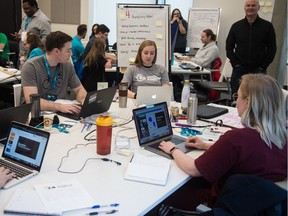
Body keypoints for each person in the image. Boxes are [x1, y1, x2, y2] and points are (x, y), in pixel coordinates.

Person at [159, 73, 287, 209]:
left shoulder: (236, 139)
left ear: (248, 102)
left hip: (221, 203)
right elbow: (250, 155)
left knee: (165, 192)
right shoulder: (283, 137)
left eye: (237, 96)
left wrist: (173, 149)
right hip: (258, 205)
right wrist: (206, 146)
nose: (236, 101)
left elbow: (193, 169)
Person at [21, 31, 87, 114]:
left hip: (59, 113)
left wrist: (83, 100)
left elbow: (80, 90)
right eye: (68, 51)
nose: (71, 54)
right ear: (56, 51)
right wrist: (59, 106)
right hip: (36, 114)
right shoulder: (31, 67)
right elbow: (32, 101)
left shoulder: (67, 66)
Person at [226, 0, 276, 96]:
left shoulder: (267, 26)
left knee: (258, 98)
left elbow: (272, 48)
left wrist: (263, 66)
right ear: (244, 8)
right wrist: (235, 64)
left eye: (253, 5)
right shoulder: (236, 26)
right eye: (248, 5)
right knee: (237, 97)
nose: (250, 8)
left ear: (258, 8)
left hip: (258, 70)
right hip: (239, 69)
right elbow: (229, 47)